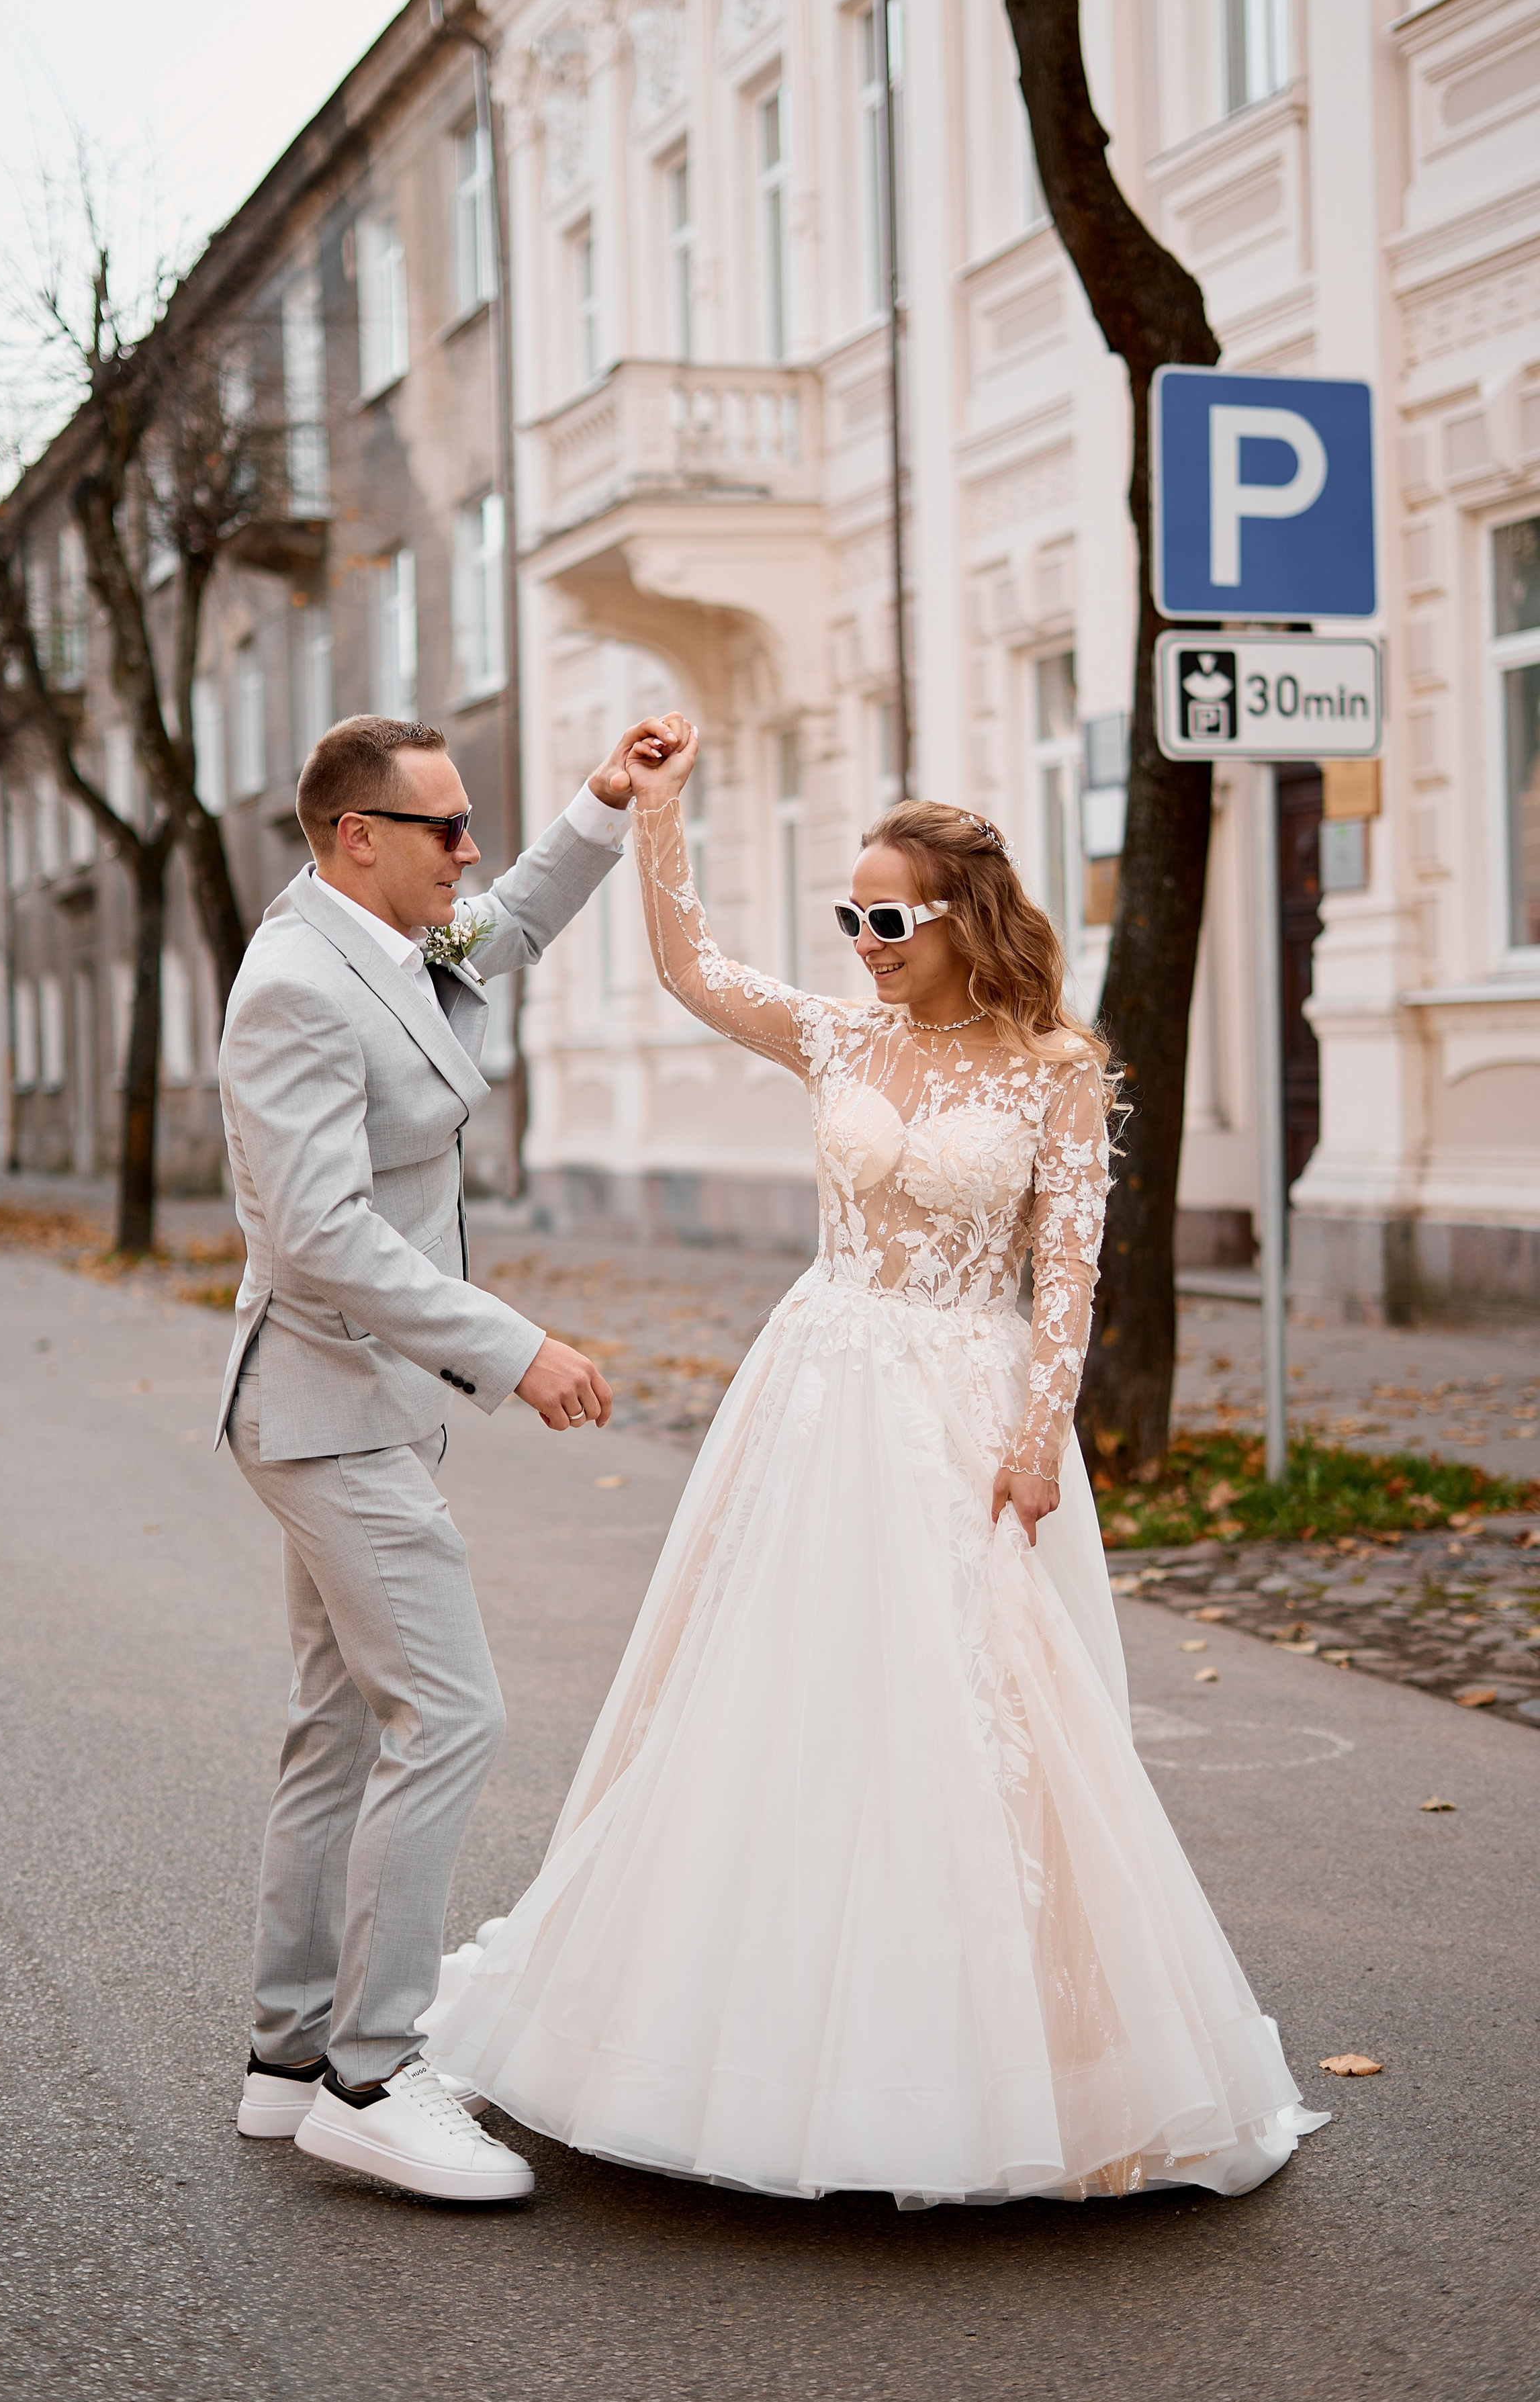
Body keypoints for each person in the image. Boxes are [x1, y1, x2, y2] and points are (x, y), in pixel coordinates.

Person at [424, 719, 1328, 2209]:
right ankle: (730, 2043)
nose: (862, 943)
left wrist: (1039, 1438)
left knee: (975, 1710)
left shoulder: (1052, 1067)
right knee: (779, 1691)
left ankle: (1011, 2065)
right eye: (849, 917)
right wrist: (656, 811)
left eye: (887, 917)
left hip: (967, 1406)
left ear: (966, 915)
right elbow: (692, 969)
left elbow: (1067, 1274)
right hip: (817, 1390)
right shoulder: (840, 1037)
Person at [216, 710, 676, 2206]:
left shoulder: (383, 938)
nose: (466, 852)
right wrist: (510, 1345)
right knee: (452, 1716)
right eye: (442, 829)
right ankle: (372, 2072)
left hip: (356, 1404)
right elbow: (316, 1233)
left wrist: (602, 805)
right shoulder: (297, 983)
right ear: (358, 836)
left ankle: (289, 2069)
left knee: (339, 1728)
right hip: (325, 1410)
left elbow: (517, 916)